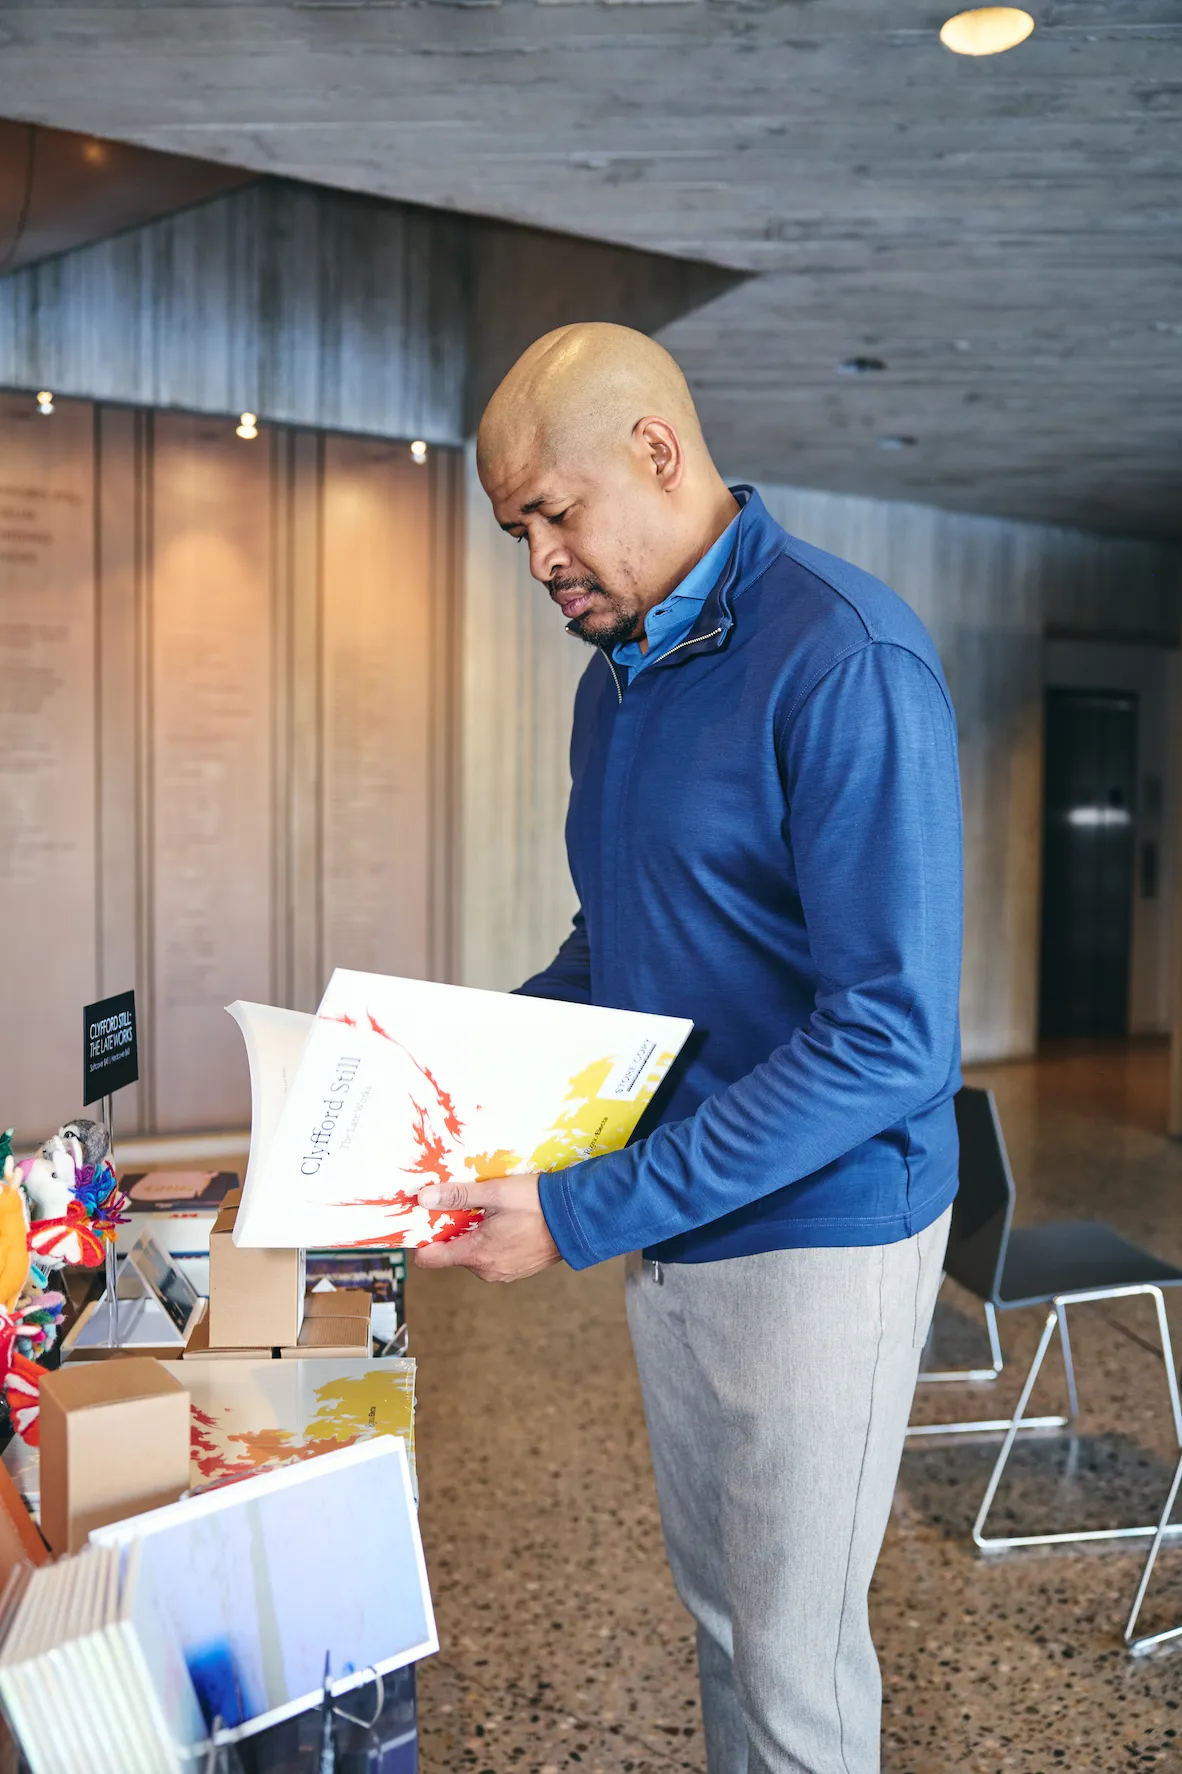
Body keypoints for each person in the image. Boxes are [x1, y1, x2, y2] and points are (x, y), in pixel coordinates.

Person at [415, 322, 963, 1774]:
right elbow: (620, 945)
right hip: (683, 1212)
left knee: (790, 1663)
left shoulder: (842, 659)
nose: (537, 556)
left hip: (818, 1233)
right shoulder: (622, 684)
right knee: (723, 1618)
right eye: (516, 526)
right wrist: (452, 1066)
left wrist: (582, 1207)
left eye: (553, 511)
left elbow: (890, 1037)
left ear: (656, 452)